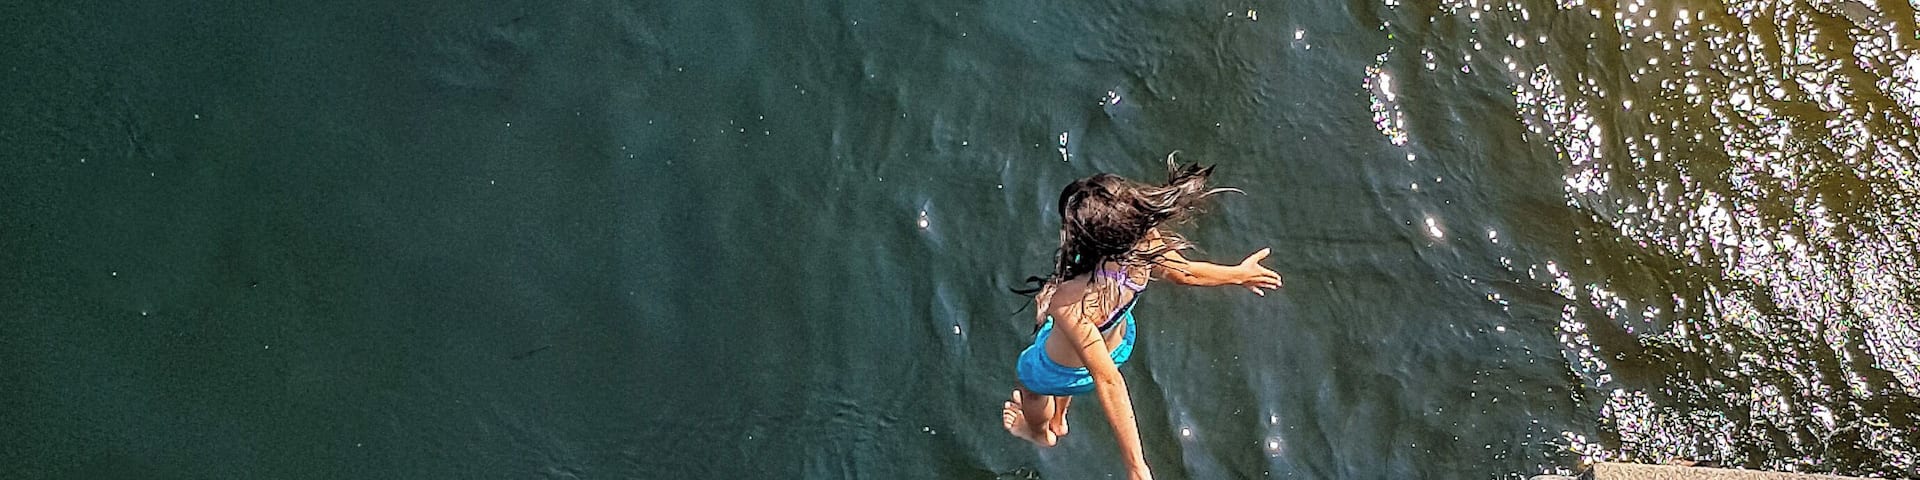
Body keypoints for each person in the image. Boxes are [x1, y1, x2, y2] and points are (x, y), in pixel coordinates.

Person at [1001, 159, 1282, 480]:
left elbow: (1107, 381)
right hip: (1118, 347)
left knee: (1030, 386)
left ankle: (1040, 431)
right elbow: (1186, 273)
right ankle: (1061, 416)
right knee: (1074, 357)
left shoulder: (1069, 300)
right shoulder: (1144, 244)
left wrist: (1136, 467)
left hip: (1063, 370)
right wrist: (1237, 274)